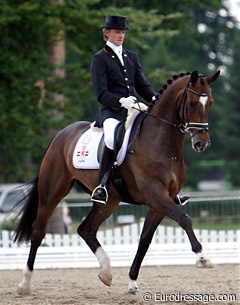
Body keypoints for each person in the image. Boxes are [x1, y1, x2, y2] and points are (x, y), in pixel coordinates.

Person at [90, 15, 189, 206]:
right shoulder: (100, 58)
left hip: (133, 109)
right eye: (116, 32)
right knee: (111, 137)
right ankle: (102, 186)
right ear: (106, 33)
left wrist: (155, 99)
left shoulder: (131, 56)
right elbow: (101, 93)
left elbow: (142, 85)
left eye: (122, 32)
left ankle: (173, 188)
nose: (120, 35)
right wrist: (120, 101)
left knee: (156, 135)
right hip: (111, 112)